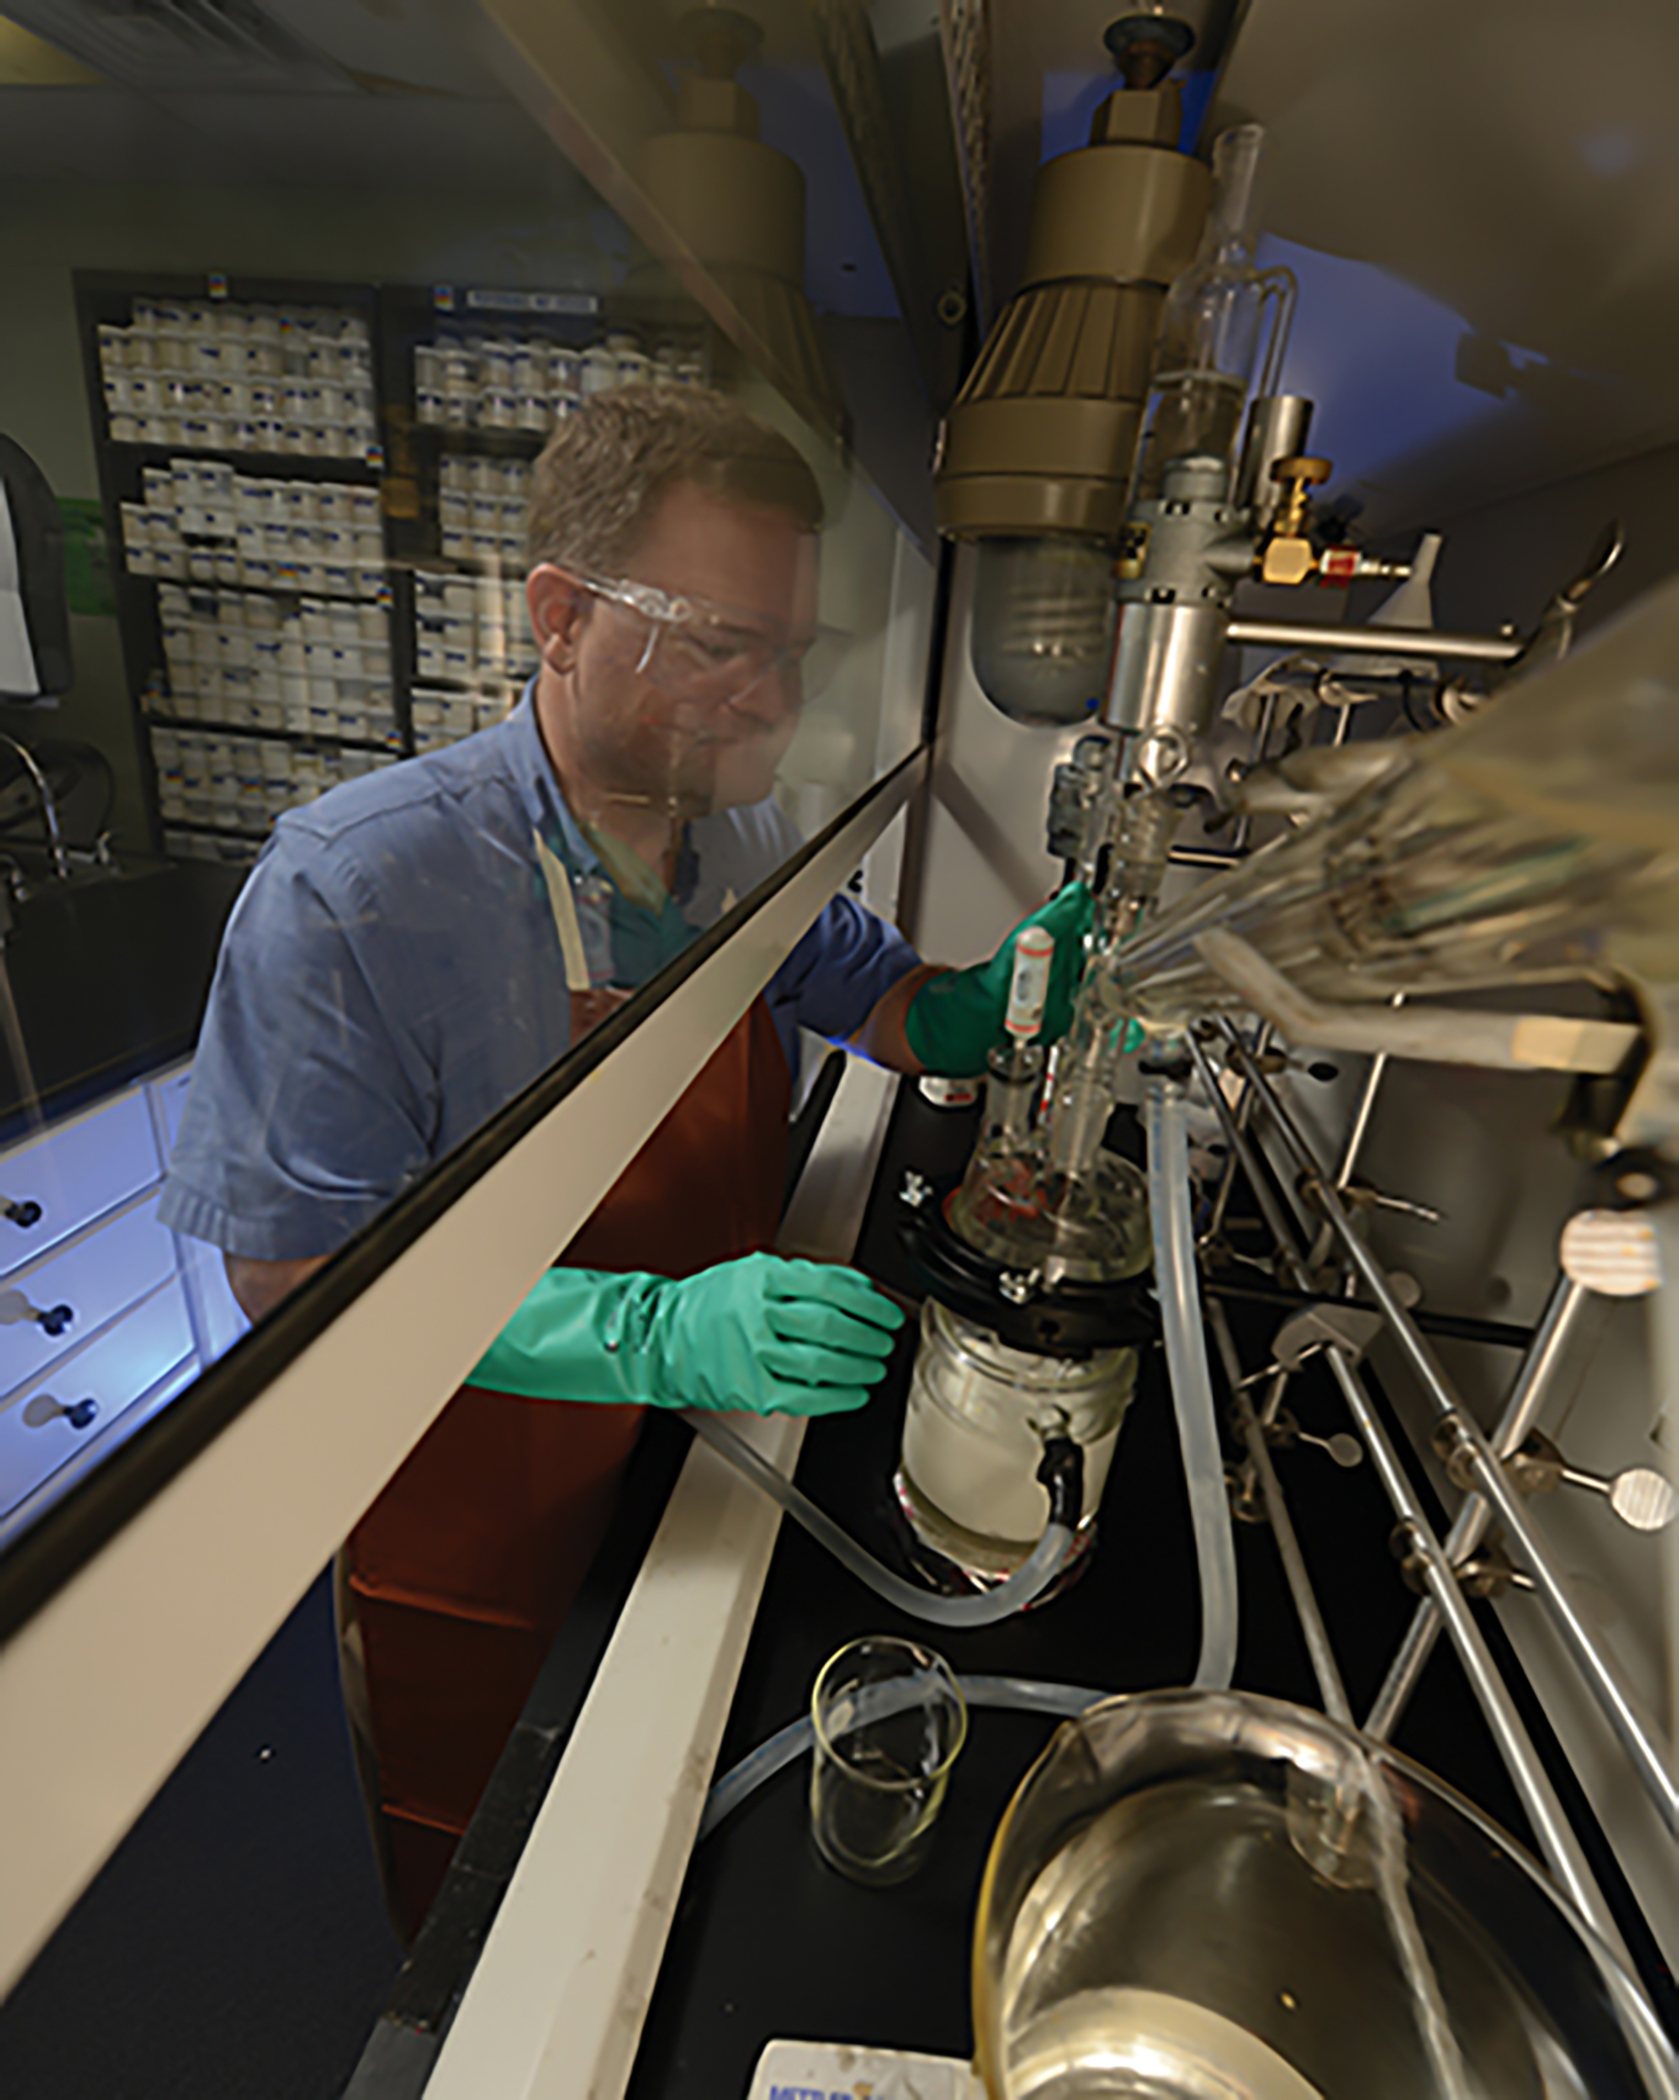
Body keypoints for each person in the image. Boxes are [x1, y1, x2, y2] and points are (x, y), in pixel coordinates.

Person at [161, 385, 1087, 1929]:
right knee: (490, 1890)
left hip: (695, 1451)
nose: (770, 698)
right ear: (560, 614)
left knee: (658, 1846)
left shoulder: (726, 835)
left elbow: (874, 997)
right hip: (486, 1495)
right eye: (721, 640)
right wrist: (648, 1332)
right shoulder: (356, 893)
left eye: (789, 653)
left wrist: (996, 1002)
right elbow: (295, 1284)